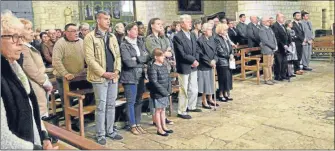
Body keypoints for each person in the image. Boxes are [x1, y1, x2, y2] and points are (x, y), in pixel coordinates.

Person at [1, 10, 57, 150]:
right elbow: (3, 140)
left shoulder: (14, 66)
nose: (21, 43)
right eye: (14, 37)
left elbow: (31, 108)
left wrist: (44, 136)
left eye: (21, 37)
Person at [84, 11, 123, 145]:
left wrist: (117, 70)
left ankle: (110, 130)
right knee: (101, 106)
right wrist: (103, 73)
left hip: (113, 76)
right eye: (106, 19)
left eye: (109, 19)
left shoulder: (112, 36)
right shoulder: (90, 37)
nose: (108, 21)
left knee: (112, 104)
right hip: (99, 77)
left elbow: (117, 56)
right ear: (98, 20)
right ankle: (100, 133)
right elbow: (89, 59)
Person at [119, 22, 150, 135]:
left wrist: (136, 58)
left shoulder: (140, 42)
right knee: (131, 101)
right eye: (135, 29)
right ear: (128, 31)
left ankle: (138, 123)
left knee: (139, 100)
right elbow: (128, 62)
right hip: (129, 76)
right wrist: (140, 60)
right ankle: (132, 124)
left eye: (137, 29)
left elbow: (147, 57)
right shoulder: (124, 45)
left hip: (141, 75)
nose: (137, 31)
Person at [20, 18, 53, 118]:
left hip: (37, 84)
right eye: (29, 29)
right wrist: (45, 82)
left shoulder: (27, 46)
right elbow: (31, 70)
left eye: (32, 29)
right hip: (34, 85)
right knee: (39, 113)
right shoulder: (23, 48)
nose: (32, 32)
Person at [145, 18, 175, 126]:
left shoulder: (163, 37)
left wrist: (165, 51)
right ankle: (155, 118)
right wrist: (164, 52)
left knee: (164, 92)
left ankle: (163, 116)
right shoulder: (149, 38)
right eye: (158, 24)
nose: (160, 26)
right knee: (157, 93)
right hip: (155, 67)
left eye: (161, 24)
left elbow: (169, 49)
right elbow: (154, 52)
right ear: (152, 25)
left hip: (165, 66)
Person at [173, 14, 202, 119]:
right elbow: (181, 53)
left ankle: (192, 106)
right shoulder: (177, 36)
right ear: (181, 24)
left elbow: (197, 48)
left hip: (194, 65)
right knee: (184, 89)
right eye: (188, 21)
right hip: (184, 65)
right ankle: (181, 111)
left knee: (194, 88)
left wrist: (196, 59)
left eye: (191, 21)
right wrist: (193, 60)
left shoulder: (193, 34)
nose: (190, 23)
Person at [147, 48, 174, 137]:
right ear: (156, 57)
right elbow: (154, 82)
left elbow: (168, 78)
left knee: (163, 110)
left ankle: (164, 126)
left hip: (165, 92)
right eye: (161, 56)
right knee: (158, 111)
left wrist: (169, 90)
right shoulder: (153, 67)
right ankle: (159, 128)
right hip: (158, 93)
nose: (163, 58)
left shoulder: (163, 66)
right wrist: (163, 91)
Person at [197, 23, 218, 108]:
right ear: (204, 31)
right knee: (205, 83)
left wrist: (215, 60)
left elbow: (216, 51)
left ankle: (210, 98)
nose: (211, 31)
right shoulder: (200, 40)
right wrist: (209, 61)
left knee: (211, 82)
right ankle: (204, 100)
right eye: (209, 29)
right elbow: (201, 54)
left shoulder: (212, 39)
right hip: (204, 65)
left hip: (212, 63)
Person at [214, 23, 234, 101]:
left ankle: (226, 93)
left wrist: (231, 54)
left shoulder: (225, 37)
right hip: (222, 62)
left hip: (228, 61)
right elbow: (220, 51)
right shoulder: (217, 38)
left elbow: (230, 47)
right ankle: (221, 94)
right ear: (221, 30)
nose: (227, 31)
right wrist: (229, 56)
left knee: (228, 78)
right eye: (225, 30)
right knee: (222, 78)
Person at [271, 13, 291, 81]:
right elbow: (277, 38)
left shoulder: (283, 26)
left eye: (283, 17)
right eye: (282, 17)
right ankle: (277, 76)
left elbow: (287, 36)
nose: (283, 18)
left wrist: (287, 44)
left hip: (285, 48)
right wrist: (283, 45)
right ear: (277, 18)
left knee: (284, 62)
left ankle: (283, 75)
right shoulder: (275, 26)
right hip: (279, 48)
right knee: (278, 63)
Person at [259, 17, 278, 85]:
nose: (269, 21)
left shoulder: (269, 28)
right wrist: (273, 46)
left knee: (270, 65)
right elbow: (265, 41)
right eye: (267, 20)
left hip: (271, 49)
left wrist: (276, 45)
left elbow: (274, 38)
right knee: (266, 65)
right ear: (263, 22)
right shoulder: (262, 30)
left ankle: (270, 78)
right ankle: (266, 79)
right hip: (267, 49)